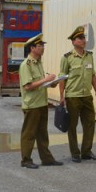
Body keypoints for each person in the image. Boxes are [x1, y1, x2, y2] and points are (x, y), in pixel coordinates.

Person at [18, 33, 63, 169]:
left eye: (43, 46)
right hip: (32, 105)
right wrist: (46, 80)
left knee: (43, 134)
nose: (43, 48)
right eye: (40, 46)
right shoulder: (26, 65)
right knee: (29, 134)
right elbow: (28, 86)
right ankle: (26, 160)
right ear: (32, 48)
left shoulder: (38, 64)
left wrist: (52, 83)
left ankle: (47, 159)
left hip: (41, 103)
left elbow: (40, 84)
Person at [59, 26, 96, 163]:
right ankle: (75, 153)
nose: (83, 40)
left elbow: (93, 75)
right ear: (73, 41)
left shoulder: (89, 56)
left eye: (84, 38)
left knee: (90, 123)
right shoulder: (67, 58)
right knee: (72, 126)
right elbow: (62, 78)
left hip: (86, 96)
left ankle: (86, 151)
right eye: (80, 38)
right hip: (72, 96)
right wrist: (61, 96)